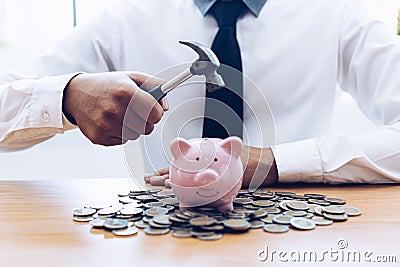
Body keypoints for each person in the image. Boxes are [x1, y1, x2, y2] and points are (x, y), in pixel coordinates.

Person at [0, 0, 399, 187]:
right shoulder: (123, 19)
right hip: (155, 236)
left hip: (297, 233)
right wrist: (67, 96)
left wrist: (274, 163)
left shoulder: (339, 15)